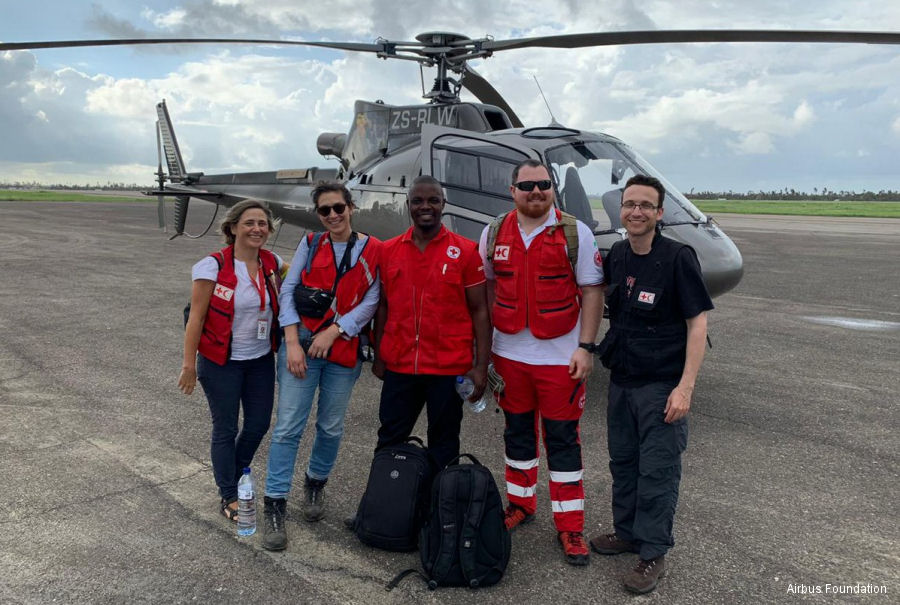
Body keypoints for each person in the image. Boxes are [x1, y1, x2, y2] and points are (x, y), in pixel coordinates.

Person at [590, 174, 713, 594]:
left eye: (645, 205)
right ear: (620, 211)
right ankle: (627, 533)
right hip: (622, 381)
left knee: (658, 472)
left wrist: (686, 388)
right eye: (629, 205)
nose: (636, 212)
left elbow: (698, 323)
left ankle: (653, 552)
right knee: (623, 464)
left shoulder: (679, 257)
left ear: (659, 213)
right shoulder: (620, 255)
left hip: (661, 385)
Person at [478, 159, 605, 566]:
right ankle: (521, 503)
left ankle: (570, 525)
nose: (536, 191)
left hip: (560, 359)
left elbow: (592, 291)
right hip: (509, 356)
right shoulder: (494, 232)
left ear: (553, 189)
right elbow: (486, 289)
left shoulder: (575, 233)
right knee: (517, 435)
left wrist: (586, 347)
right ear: (511, 190)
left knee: (563, 441)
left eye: (544, 184)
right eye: (527, 184)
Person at [261, 182, 382, 551]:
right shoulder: (310, 244)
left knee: (330, 426)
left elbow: (372, 298)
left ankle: (316, 484)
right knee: (288, 427)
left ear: (351, 207)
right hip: (301, 348)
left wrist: (336, 331)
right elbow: (288, 289)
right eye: (325, 210)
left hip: (342, 351)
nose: (333, 216)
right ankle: (275, 503)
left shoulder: (372, 249)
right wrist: (293, 343)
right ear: (318, 214)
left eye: (338, 208)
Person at [372, 175, 491, 471]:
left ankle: (439, 513)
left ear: (443, 204)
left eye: (433, 200)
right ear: (408, 205)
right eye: (418, 201)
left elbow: (480, 311)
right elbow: (383, 306)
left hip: (448, 370)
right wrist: (379, 354)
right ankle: (383, 512)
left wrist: (480, 366)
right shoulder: (388, 251)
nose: (425, 207)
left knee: (445, 443)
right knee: (390, 440)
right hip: (400, 367)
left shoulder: (466, 251)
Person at [179, 199, 284, 522]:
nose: (257, 229)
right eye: (250, 223)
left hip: (260, 360)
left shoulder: (272, 262)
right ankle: (228, 493)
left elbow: (297, 279)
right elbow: (195, 318)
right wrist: (189, 365)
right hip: (220, 361)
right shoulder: (212, 266)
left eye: (263, 224)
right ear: (233, 227)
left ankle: (234, 474)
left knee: (258, 424)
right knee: (225, 428)